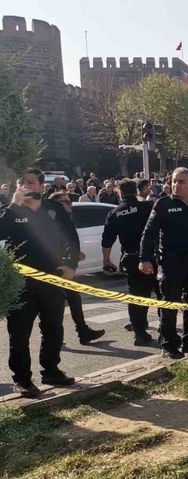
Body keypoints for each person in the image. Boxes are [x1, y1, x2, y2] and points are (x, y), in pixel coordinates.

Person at [0, 168, 78, 397]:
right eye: (21, 182)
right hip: (20, 282)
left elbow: (70, 237)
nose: (24, 186)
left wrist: (71, 265)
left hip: (52, 278)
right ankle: (23, 379)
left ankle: (51, 370)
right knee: (19, 333)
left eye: (30, 182)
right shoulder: (10, 211)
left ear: (42, 187)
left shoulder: (53, 209)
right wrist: (13, 206)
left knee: (53, 328)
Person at [140, 167, 188, 359]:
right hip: (171, 262)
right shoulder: (163, 204)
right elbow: (149, 233)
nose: (176, 185)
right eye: (174, 181)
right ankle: (169, 343)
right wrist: (144, 258)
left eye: (181, 182)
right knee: (170, 304)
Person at [101, 179, 157, 345]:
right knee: (160, 293)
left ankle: (139, 332)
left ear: (120, 192)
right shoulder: (147, 207)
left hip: (130, 258)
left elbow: (107, 240)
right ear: (136, 191)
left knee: (136, 295)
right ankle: (164, 330)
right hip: (152, 257)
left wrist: (106, 261)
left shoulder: (115, 212)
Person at [48, 191, 106, 345]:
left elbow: (69, 240)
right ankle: (51, 336)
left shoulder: (67, 218)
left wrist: (75, 254)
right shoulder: (50, 219)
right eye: (65, 202)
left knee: (74, 298)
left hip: (66, 267)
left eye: (69, 201)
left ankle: (83, 331)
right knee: (52, 304)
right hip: (54, 267)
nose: (69, 204)